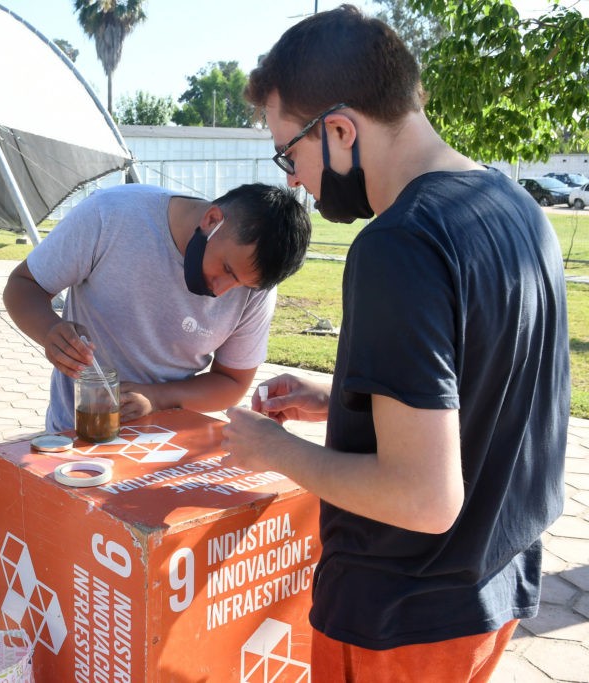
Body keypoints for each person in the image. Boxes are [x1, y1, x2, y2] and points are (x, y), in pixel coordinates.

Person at [224, 5, 569, 681]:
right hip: (491, 589)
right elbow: (488, 379)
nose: (292, 177)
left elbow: (424, 495)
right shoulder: (514, 207)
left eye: (288, 151)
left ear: (341, 129)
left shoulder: (398, 243)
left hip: (400, 618)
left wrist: (274, 449)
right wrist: (338, 397)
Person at [3, 182, 310, 433]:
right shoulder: (110, 215)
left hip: (167, 441)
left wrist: (158, 398)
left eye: (243, 285)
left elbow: (232, 382)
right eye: (227, 269)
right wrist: (50, 331)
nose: (221, 291)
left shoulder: (256, 286)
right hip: (76, 432)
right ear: (212, 221)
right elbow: (23, 286)